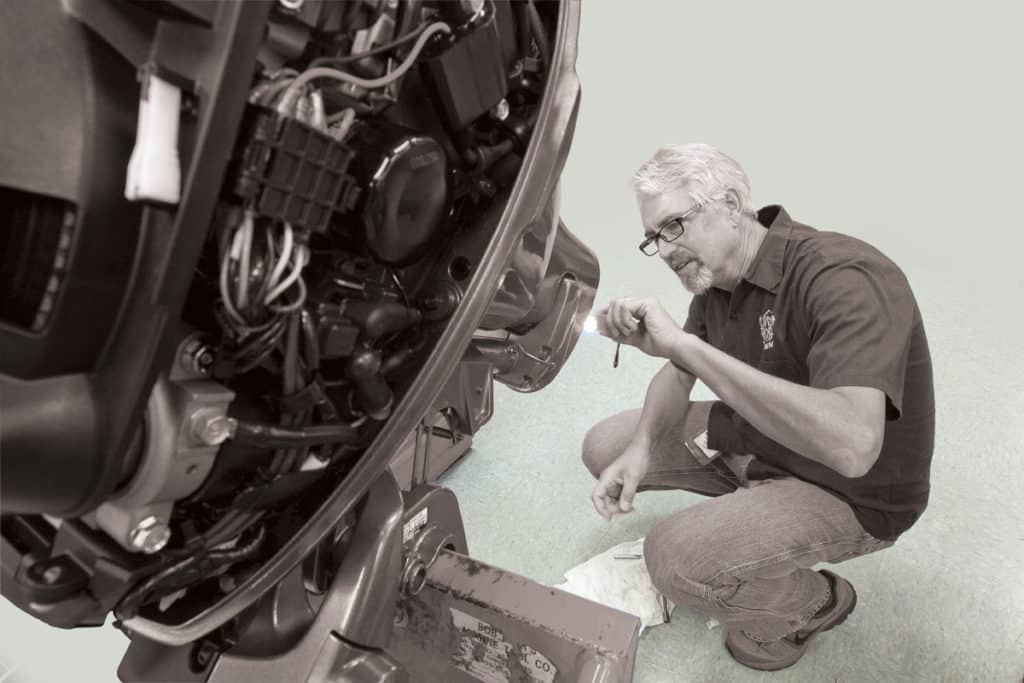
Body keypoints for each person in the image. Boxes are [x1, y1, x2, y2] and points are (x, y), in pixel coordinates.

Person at [584, 143, 934, 671]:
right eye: (654, 237)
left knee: (675, 559)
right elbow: (679, 373)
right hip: (766, 443)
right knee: (607, 445)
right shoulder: (719, 281)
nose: (666, 247)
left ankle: (813, 602)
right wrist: (638, 448)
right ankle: (754, 508)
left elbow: (853, 447)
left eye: (674, 225)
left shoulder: (843, 275)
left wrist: (685, 346)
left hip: (853, 489)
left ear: (729, 203)